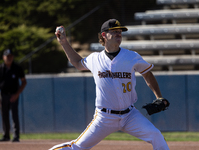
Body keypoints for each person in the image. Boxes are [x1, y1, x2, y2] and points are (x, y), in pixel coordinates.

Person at [49, 19, 170, 150]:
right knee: (77, 146)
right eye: (114, 31)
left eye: (120, 32)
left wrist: (159, 97)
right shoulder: (95, 58)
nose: (119, 34)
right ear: (103, 35)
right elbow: (78, 63)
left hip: (130, 115)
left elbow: (147, 74)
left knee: (156, 135)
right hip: (104, 117)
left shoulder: (131, 56)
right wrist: (64, 43)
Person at [0, 49, 27, 142]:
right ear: (3, 57)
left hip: (14, 95)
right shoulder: (0, 68)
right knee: (4, 115)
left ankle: (16, 136)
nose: (9, 58)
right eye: (7, 56)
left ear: (13, 57)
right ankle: (6, 135)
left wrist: (17, 94)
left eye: (11, 56)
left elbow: (23, 82)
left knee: (15, 115)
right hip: (3, 95)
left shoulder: (17, 68)